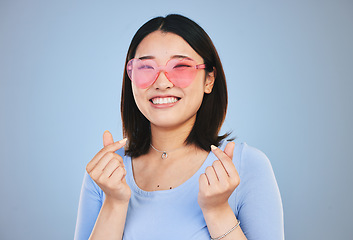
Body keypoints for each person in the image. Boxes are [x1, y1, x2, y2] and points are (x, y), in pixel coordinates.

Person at [74, 14, 284, 240]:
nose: (162, 82)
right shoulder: (106, 173)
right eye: (146, 67)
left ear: (209, 80)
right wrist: (114, 203)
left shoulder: (246, 166)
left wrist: (217, 210)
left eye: (181, 66)